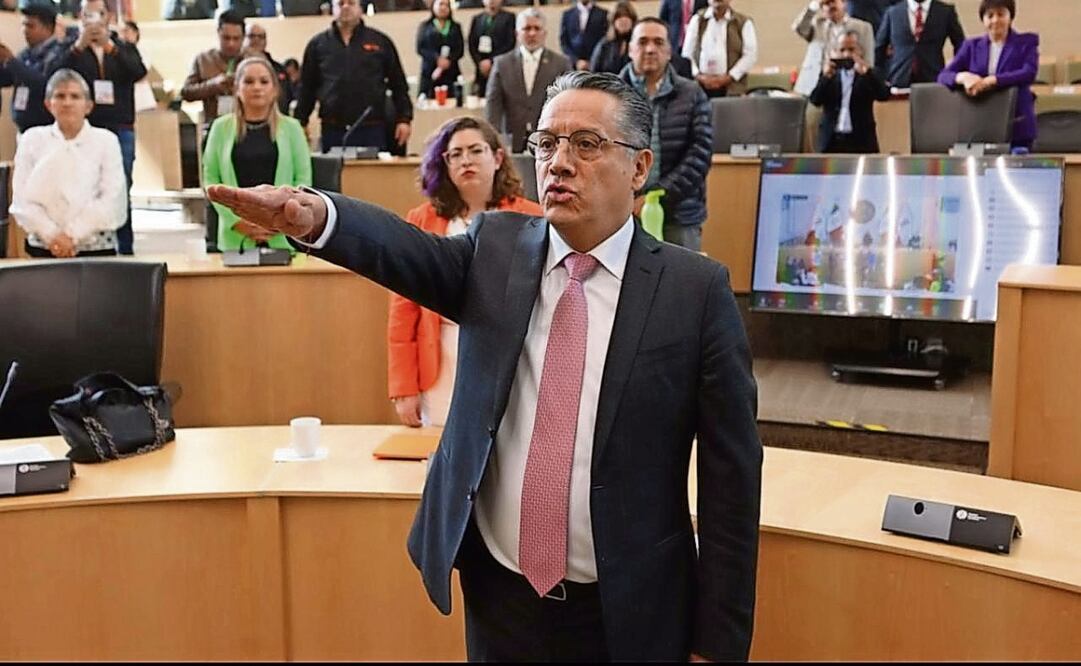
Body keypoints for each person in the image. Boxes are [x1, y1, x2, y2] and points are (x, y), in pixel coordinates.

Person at [208, 70, 761, 662]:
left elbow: (732, 481)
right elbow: (403, 251)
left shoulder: (694, 290)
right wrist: (313, 217)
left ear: (640, 167)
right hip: (501, 595)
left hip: (629, 608)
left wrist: (717, 644)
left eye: (587, 144)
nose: (560, 162)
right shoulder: (495, 249)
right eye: (547, 143)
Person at [389, 117, 542, 428]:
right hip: (441, 359)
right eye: (455, 154)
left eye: (475, 150)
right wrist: (403, 386)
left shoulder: (534, 218)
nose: (466, 160)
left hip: (512, 359)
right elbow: (403, 310)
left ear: (497, 158)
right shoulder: (422, 220)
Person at [50, 0, 146, 256]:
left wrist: (110, 47)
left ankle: (125, 249)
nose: (94, 20)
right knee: (83, 187)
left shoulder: (122, 45)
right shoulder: (71, 47)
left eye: (99, 14)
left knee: (120, 188)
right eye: (88, 14)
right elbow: (52, 74)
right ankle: (84, 243)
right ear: (81, 16)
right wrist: (79, 46)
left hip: (120, 127)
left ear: (108, 16)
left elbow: (138, 71)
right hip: (84, 130)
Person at [618, 17, 712, 250]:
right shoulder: (611, 95)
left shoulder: (692, 93)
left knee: (684, 285)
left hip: (680, 214)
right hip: (622, 214)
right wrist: (630, 199)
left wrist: (655, 196)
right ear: (630, 50)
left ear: (669, 52)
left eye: (658, 42)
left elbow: (700, 154)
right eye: (642, 42)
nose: (650, 49)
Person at [12, 68, 126, 258]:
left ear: (88, 105)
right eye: (60, 96)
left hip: (95, 246)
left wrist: (72, 235)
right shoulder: (32, 139)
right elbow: (22, 199)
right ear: (49, 104)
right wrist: (53, 236)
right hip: (45, 245)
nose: (67, 103)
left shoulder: (106, 141)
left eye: (75, 96)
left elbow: (111, 198)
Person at [203, 57, 311, 252]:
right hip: (235, 238)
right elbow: (210, 179)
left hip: (284, 236)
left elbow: (303, 181)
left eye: (264, 81)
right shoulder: (220, 128)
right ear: (237, 89)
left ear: (275, 89)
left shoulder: (293, 128)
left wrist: (280, 221)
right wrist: (236, 222)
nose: (257, 87)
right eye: (249, 81)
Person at [295, 0, 413, 153]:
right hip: (333, 129)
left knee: (372, 176)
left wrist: (404, 119)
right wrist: (300, 122)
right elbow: (307, 88)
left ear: (360, 8)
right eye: (340, 3)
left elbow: (399, 84)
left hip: (372, 128)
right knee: (334, 176)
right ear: (333, 8)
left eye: (351, 2)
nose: (345, 7)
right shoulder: (318, 45)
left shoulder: (380, 41)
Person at [937, 0, 1037, 150]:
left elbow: (1029, 73)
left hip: (1016, 124)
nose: (995, 20)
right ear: (983, 20)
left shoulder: (1026, 42)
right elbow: (943, 76)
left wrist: (993, 80)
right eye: (990, 15)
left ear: (1010, 16)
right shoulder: (971, 46)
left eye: (1001, 14)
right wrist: (963, 78)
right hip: (979, 124)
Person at [485, 8, 571, 153]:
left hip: (550, 140)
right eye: (527, 28)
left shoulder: (561, 64)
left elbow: (568, 104)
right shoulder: (502, 63)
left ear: (545, 33)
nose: (532, 33)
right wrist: (493, 140)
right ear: (517, 33)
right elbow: (493, 105)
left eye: (537, 28)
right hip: (513, 140)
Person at [809, 30, 891, 152]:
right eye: (842, 50)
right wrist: (825, 78)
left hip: (860, 141)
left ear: (860, 51)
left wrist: (867, 74)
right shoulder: (829, 74)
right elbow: (815, 100)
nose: (847, 55)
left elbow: (883, 95)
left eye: (851, 50)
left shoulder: (870, 73)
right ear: (836, 52)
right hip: (832, 140)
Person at [0, 4, 66, 134]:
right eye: (23, 25)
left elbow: (43, 84)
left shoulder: (59, 53)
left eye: (30, 26)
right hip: (23, 130)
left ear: (47, 28)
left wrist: (11, 61)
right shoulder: (25, 54)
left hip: (45, 130)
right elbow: (7, 79)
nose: (24, 30)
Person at [793, 0, 875, 96]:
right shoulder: (817, 25)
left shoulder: (863, 27)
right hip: (813, 84)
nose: (829, 6)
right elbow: (799, 28)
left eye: (832, 1)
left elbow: (868, 60)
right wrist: (813, 6)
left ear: (844, 3)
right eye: (824, 4)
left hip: (846, 86)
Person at [875, 0, 965, 88]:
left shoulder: (945, 12)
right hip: (898, 79)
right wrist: (881, 78)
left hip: (934, 78)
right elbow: (879, 48)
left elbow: (960, 46)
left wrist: (954, 74)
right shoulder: (893, 12)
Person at [180, 9, 246, 129]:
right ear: (218, 34)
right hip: (213, 126)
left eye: (236, 39)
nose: (231, 44)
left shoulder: (252, 60)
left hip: (245, 126)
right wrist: (213, 85)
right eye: (226, 38)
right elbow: (186, 92)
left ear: (243, 38)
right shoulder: (203, 59)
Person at [681, 0, 758, 98]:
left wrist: (728, 78)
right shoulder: (697, 20)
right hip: (700, 86)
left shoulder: (743, 22)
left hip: (732, 87)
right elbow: (687, 54)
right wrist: (699, 76)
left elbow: (750, 56)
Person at [416, 0, 464, 99]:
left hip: (451, 72)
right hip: (430, 72)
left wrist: (449, 60)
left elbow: (460, 49)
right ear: (434, 6)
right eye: (440, 4)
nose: (443, 8)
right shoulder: (425, 26)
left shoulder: (456, 27)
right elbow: (420, 48)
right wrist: (437, 59)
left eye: (446, 5)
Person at [467, 0, 516, 97]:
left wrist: (491, 61)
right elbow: (471, 44)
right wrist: (480, 62)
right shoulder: (477, 19)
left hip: (501, 67)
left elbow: (510, 44)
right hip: (481, 69)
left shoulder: (509, 17)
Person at [241, 22, 291, 114]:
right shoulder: (236, 68)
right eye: (252, 36)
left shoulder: (279, 69)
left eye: (261, 37)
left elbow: (287, 98)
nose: (256, 40)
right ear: (243, 39)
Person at [589, 0, 636, 75]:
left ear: (633, 20)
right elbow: (593, 71)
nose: (623, 20)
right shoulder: (604, 44)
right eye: (619, 17)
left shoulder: (639, 43)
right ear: (613, 21)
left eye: (627, 16)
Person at [559, 0, 607, 71]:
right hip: (573, 67)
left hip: (596, 66)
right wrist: (576, 61)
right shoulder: (567, 15)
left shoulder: (603, 14)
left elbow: (604, 40)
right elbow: (564, 42)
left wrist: (592, 61)